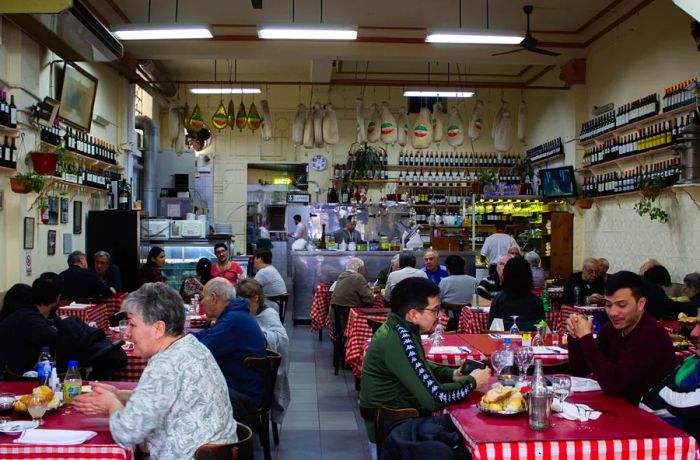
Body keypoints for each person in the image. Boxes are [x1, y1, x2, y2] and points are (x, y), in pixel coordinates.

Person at [73, 283, 237, 459]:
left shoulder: (165, 365)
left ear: (158, 329)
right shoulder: (189, 346)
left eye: (132, 325)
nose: (126, 333)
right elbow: (163, 399)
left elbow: (127, 434)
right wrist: (120, 395)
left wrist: (111, 404)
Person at [359, 277, 491, 443]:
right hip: (394, 427)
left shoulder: (398, 328)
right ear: (413, 314)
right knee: (469, 430)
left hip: (399, 416)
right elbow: (435, 399)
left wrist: (453, 375)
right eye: (434, 310)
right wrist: (472, 382)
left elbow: (418, 365)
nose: (439, 315)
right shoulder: (400, 338)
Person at [566, 271, 676, 405]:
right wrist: (575, 335)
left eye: (622, 305)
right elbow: (581, 372)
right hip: (618, 405)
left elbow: (613, 385)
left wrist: (586, 338)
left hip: (649, 413)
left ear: (641, 304)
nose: (613, 313)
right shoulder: (611, 329)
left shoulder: (651, 334)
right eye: (608, 304)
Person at [193, 277, 266, 428]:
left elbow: (200, 352)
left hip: (241, 395)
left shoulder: (233, 320)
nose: (201, 302)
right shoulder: (234, 315)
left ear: (213, 298)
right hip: (242, 387)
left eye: (202, 298)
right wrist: (181, 338)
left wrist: (176, 343)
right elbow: (206, 335)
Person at [237, 278, 290, 425]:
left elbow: (282, 340)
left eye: (245, 302)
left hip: (261, 380)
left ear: (256, 298)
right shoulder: (246, 314)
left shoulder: (268, 314)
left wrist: (256, 332)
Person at [641, 309, 700, 441]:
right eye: (696, 324)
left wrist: (663, 390)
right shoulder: (693, 361)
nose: (694, 333)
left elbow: (686, 406)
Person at [0, 274, 62, 377]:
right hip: (11, 376)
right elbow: (59, 338)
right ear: (58, 298)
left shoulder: (24, 316)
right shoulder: (30, 319)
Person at [488, 257, 545, 331]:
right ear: (529, 276)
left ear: (506, 275)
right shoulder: (537, 301)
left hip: (502, 341)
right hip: (529, 341)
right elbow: (543, 328)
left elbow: (490, 328)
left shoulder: (498, 300)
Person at [329, 257, 376, 333]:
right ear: (359, 268)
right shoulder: (358, 277)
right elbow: (370, 300)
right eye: (363, 268)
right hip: (349, 314)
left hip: (335, 313)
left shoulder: (342, 275)